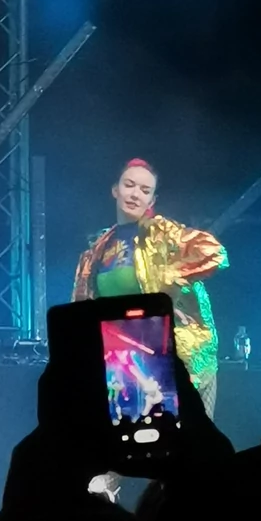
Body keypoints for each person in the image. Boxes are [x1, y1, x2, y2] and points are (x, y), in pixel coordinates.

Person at [72, 158, 227, 500]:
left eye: (144, 190)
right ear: (115, 190)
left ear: (152, 199)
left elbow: (214, 252)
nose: (135, 194)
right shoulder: (97, 251)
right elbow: (83, 308)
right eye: (129, 185)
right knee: (117, 455)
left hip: (181, 358)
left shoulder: (163, 233)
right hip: (124, 361)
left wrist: (171, 278)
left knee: (192, 453)